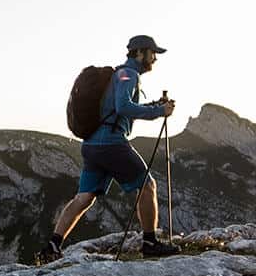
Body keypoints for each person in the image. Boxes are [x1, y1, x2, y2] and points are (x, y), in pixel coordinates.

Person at [40, 35, 180, 262]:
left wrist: (154, 105)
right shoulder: (129, 74)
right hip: (111, 144)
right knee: (147, 186)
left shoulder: (119, 74)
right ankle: (150, 243)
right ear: (139, 53)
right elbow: (123, 107)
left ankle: (52, 246)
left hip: (92, 145)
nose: (154, 58)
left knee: (84, 197)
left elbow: (115, 108)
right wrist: (158, 112)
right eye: (152, 53)